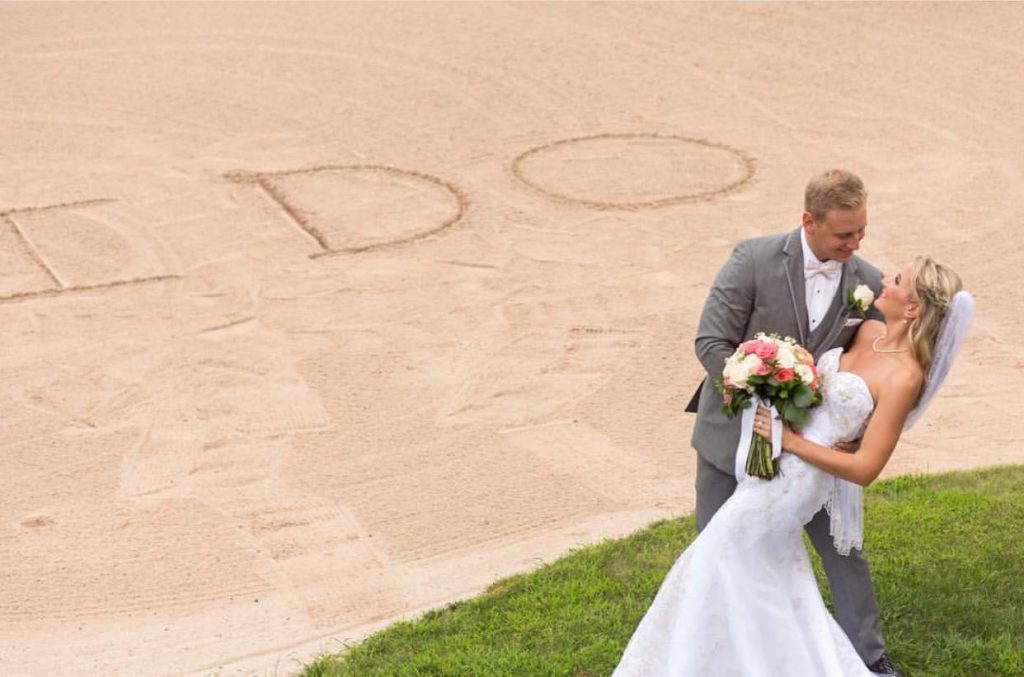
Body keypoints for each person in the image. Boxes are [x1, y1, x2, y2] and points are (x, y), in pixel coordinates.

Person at [613, 256, 971, 676]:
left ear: (912, 308)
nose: (884, 281)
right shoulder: (868, 331)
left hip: (800, 481)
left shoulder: (904, 377)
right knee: (756, 570)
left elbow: (865, 469)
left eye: (896, 281)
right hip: (772, 458)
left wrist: (795, 443)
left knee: (719, 553)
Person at [686, 168, 895, 673]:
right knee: (718, 554)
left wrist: (859, 433)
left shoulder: (865, 282)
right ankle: (717, 658)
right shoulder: (752, 260)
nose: (855, 243)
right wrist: (760, 392)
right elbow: (710, 343)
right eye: (845, 234)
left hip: (813, 453)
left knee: (844, 553)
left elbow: (872, 373)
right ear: (809, 221)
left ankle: (871, 661)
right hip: (730, 442)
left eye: (861, 231)